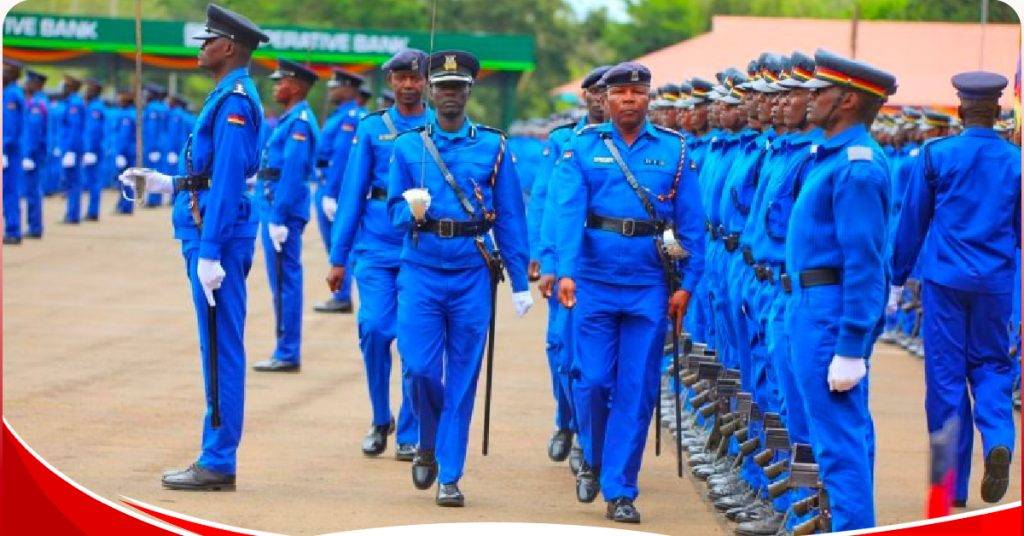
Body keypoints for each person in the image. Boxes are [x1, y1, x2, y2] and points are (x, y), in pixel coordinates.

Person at [119, 2, 269, 491]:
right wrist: (164, 183)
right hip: (208, 229)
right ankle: (216, 453)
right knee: (215, 345)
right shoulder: (225, 95)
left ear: (229, 48)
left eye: (208, 41)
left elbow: (226, 182)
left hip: (217, 238)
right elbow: (207, 173)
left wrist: (209, 251)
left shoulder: (235, 101)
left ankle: (218, 460)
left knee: (221, 349)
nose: (202, 48)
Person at [554, 62, 705, 523]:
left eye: (637, 93)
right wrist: (564, 271)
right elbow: (567, 212)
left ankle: (621, 489)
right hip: (595, 281)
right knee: (594, 379)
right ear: (606, 98)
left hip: (649, 285)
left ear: (648, 98)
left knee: (636, 390)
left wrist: (688, 286)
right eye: (619, 93)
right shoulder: (583, 147)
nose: (628, 100)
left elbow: (693, 225)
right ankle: (594, 457)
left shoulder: (675, 150)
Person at [387, 49, 532, 507]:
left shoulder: (493, 145)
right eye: (442, 87)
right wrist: (410, 211)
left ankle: (449, 472)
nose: (450, 95)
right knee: (420, 369)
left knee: (464, 375)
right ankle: (426, 440)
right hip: (422, 271)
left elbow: (510, 214)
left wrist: (521, 279)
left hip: (471, 271)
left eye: (458, 88)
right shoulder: (408, 146)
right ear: (429, 92)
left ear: (469, 92)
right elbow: (390, 211)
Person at [891, 71, 1019, 507]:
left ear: (960, 110)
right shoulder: (1016, 161)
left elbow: (913, 223)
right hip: (996, 284)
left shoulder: (936, 155)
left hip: (945, 283)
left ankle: (949, 488)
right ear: (997, 111)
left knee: (946, 382)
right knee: (992, 367)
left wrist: (895, 275)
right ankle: (999, 438)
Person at [786, 49, 897, 530]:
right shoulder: (830, 157)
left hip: (829, 313)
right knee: (828, 434)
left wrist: (851, 344)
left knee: (839, 443)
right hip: (811, 304)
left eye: (820, 91)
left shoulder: (857, 166)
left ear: (848, 100)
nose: (811, 98)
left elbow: (864, 261)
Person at [326, 49, 431, 460]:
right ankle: (379, 416)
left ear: (426, 83)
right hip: (374, 245)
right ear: (390, 83)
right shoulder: (372, 129)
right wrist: (338, 257)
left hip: (420, 247)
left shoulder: (437, 128)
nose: (408, 85)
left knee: (412, 340)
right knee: (373, 328)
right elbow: (352, 193)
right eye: (401, 78)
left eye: (416, 78)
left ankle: (409, 429)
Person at [528, 64, 609, 468]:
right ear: (585, 98)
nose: (601, 99)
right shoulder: (564, 141)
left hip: (608, 264)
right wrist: (542, 257)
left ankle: (588, 438)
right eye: (594, 92)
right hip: (565, 262)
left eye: (607, 92)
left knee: (592, 359)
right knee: (561, 347)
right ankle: (567, 420)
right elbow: (544, 200)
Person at [251, 59, 321, 373]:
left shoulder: (300, 122)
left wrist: (278, 216)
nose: (276, 87)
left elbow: (292, 172)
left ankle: (287, 350)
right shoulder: (291, 118)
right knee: (281, 279)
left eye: (281, 82)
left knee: (284, 281)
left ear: (295, 86)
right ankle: (285, 347)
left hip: (283, 210)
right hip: (274, 203)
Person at [313, 68, 366, 314]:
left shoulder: (351, 117)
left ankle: (343, 295)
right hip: (326, 183)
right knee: (335, 243)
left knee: (340, 244)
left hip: (334, 187)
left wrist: (332, 194)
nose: (331, 90)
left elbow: (342, 159)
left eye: (336, 86)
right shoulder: (340, 115)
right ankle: (341, 294)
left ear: (349, 88)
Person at [20, 69, 47, 238]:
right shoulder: (33, 101)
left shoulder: (37, 104)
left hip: (33, 154)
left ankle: (35, 227)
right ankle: (33, 225)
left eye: (29, 82)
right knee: (30, 190)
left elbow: (34, 132)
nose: (26, 84)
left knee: (32, 191)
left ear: (37, 84)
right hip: (31, 153)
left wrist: (28, 154)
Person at [3, 59, 25, 244]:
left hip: (9, 151)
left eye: (6, 71)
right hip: (8, 149)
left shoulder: (11, 95)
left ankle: (13, 230)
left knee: (10, 190)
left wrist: (3, 149)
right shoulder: (7, 92)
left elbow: (10, 128)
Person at [58, 75, 86, 224]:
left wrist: (70, 150)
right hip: (70, 148)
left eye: (66, 86)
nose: (63, 88)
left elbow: (74, 129)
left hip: (72, 149)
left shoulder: (75, 103)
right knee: (70, 182)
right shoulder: (71, 102)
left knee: (73, 183)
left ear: (72, 87)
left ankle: (73, 215)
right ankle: (71, 213)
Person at [82, 79, 106, 221]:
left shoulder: (95, 107)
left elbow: (94, 131)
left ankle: (93, 211)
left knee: (94, 182)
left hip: (94, 150)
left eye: (89, 89)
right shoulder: (92, 106)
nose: (87, 92)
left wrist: (90, 149)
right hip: (92, 149)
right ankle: (91, 210)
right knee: (91, 181)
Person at [141, 83, 169, 207]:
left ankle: (153, 200)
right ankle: (156, 199)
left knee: (152, 172)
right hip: (162, 144)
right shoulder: (164, 107)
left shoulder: (152, 108)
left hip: (153, 145)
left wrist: (152, 147)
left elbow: (152, 130)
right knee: (158, 172)